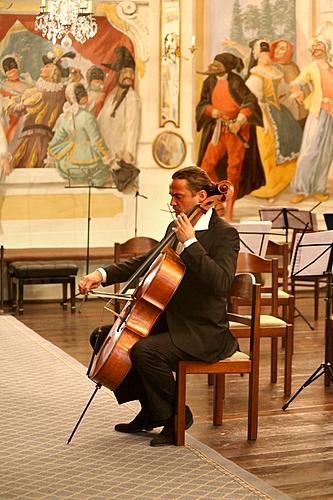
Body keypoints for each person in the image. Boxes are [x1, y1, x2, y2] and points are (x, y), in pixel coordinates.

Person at [78, 166, 240, 447]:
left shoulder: (224, 234)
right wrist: (101, 275)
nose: (172, 202)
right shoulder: (174, 227)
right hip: (171, 321)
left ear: (202, 196)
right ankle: (153, 410)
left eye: (178, 196)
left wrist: (190, 242)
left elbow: (221, 283)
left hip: (203, 331)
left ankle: (177, 416)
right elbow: (146, 261)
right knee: (104, 337)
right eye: (171, 196)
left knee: (145, 350)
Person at [196, 52, 265, 222]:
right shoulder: (209, 81)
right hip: (219, 129)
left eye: (218, 64)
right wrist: (213, 111)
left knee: (233, 171)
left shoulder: (236, 81)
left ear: (226, 67)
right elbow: (203, 104)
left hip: (237, 131)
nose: (213, 66)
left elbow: (250, 102)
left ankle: (229, 211)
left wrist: (240, 120)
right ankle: (218, 202)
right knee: (206, 166)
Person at [245, 40, 303, 199]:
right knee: (268, 148)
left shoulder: (275, 71)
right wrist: (262, 113)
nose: (266, 55)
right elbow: (252, 98)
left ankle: (284, 182)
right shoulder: (256, 74)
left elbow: (282, 92)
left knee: (293, 140)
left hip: (280, 112)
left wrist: (293, 95)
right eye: (263, 53)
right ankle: (269, 187)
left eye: (267, 52)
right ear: (257, 55)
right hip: (263, 113)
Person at [10, 49, 75, 169]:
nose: (41, 69)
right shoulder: (59, 91)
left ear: (53, 71)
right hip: (40, 137)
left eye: (46, 67)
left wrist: (13, 105)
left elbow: (18, 110)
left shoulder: (43, 92)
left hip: (37, 138)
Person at [290, 37, 333, 204]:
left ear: (326, 48)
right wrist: (298, 92)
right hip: (318, 111)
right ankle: (301, 188)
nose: (316, 48)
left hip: (331, 113)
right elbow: (297, 83)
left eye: (319, 45)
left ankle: (319, 188)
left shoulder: (331, 67)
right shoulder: (310, 68)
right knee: (310, 150)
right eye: (314, 46)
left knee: (326, 152)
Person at [47, 82, 113, 187]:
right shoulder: (88, 118)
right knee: (104, 169)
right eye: (83, 93)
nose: (85, 95)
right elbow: (96, 142)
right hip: (89, 162)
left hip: (68, 165)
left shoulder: (65, 117)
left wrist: (51, 155)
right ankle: (96, 182)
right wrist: (107, 157)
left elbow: (56, 141)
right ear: (82, 98)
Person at [98, 46, 141, 169]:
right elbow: (101, 119)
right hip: (104, 152)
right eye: (125, 72)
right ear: (118, 74)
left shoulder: (132, 98)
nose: (128, 76)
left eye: (131, 73)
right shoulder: (112, 94)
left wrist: (129, 152)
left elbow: (132, 127)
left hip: (119, 153)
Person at [0, 54, 34, 151]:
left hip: (30, 112)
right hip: (12, 117)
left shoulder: (27, 83)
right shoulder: (3, 87)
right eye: (8, 71)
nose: (12, 72)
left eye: (14, 69)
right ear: (4, 72)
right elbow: (6, 105)